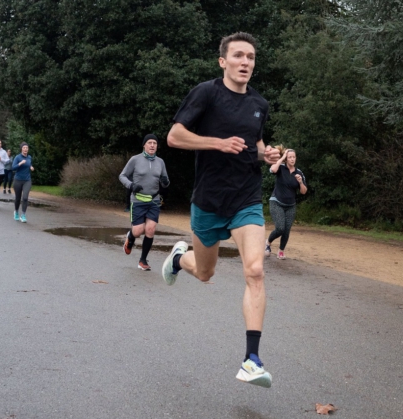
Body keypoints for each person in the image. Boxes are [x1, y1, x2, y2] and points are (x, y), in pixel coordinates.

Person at [162, 32, 281, 388]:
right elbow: (175, 136)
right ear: (223, 61)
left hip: (246, 198)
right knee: (205, 273)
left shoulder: (259, 103)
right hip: (209, 201)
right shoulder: (207, 93)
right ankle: (178, 258)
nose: (245, 62)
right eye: (239, 55)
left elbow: (254, 144)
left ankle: (251, 361)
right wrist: (217, 143)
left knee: (255, 270)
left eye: (251, 57)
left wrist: (266, 154)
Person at [119, 134, 170, 271]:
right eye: (149, 143)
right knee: (138, 231)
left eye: (155, 143)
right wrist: (131, 185)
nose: (152, 145)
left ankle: (143, 261)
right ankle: (130, 237)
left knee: (150, 229)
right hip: (138, 200)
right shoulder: (135, 160)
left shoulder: (160, 162)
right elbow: (122, 176)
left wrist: (165, 182)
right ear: (144, 145)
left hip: (154, 200)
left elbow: (165, 181)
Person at [265, 147, 307, 259]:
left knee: (286, 230)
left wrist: (300, 182)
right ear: (286, 159)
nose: (292, 159)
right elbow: (273, 170)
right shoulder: (281, 168)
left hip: (290, 206)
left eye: (294, 157)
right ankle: (268, 243)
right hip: (276, 202)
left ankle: (281, 251)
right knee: (280, 228)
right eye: (290, 157)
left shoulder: (299, 173)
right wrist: (282, 157)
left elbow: (303, 192)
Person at [12, 142, 34, 223]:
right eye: (24, 148)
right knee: (18, 198)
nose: (25, 149)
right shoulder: (17, 157)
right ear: (21, 149)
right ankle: (16, 212)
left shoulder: (29, 157)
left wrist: (31, 167)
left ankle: (23, 215)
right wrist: (20, 163)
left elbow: (29, 164)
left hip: (27, 180)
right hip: (18, 180)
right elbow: (13, 168)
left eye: (27, 148)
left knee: (25, 198)